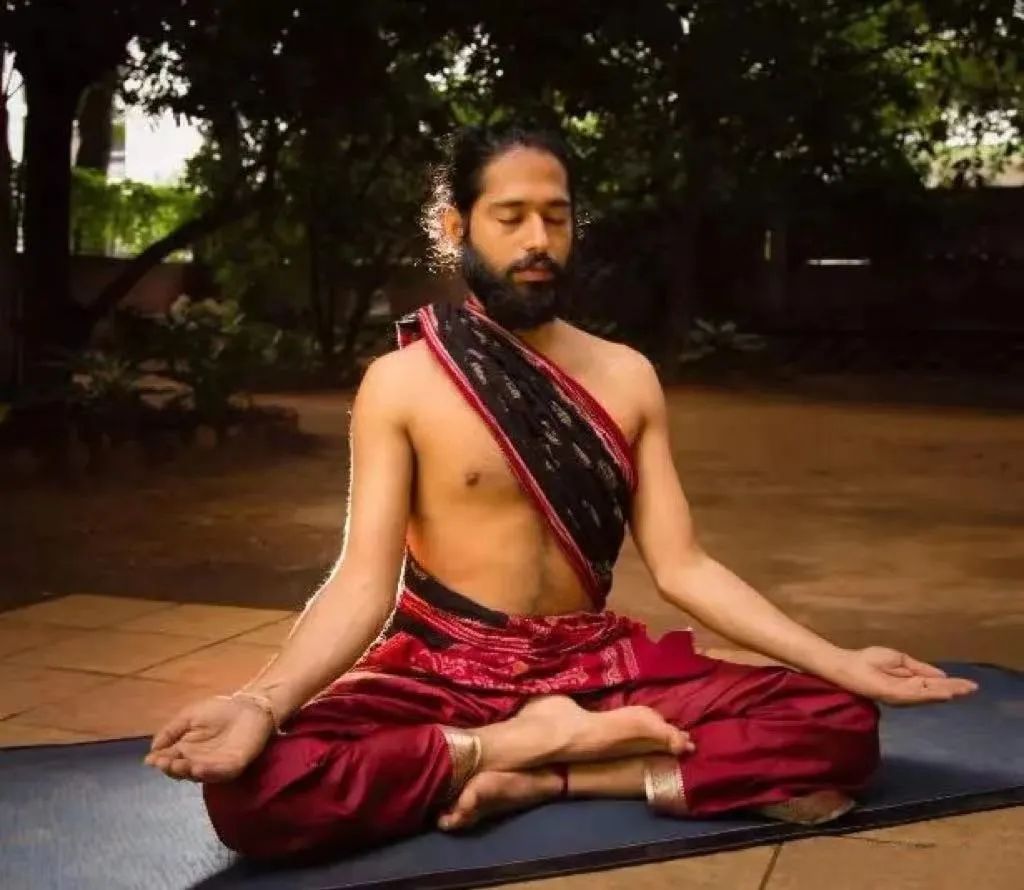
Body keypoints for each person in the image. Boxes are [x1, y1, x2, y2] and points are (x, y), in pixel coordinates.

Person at [145, 126, 978, 861]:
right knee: (253, 794)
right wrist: (261, 702)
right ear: (457, 227)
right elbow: (363, 582)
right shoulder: (400, 384)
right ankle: (504, 745)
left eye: (556, 216)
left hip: (592, 664)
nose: (538, 239)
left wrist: (840, 661)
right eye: (511, 217)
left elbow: (684, 566)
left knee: (841, 723)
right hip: (445, 668)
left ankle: (554, 772)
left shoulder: (627, 375)